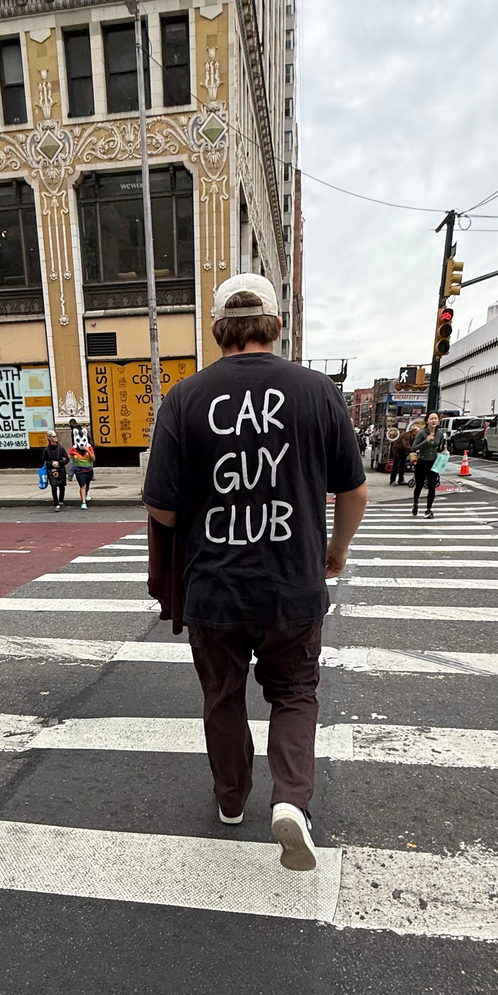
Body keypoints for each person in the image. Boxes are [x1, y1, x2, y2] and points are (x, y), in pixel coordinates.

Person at [142, 272, 367, 872]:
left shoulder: (184, 398)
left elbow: (161, 505)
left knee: (222, 696)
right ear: (275, 325)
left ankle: (231, 799)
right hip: (292, 583)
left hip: (214, 589)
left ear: (219, 329)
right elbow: (354, 489)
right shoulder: (318, 392)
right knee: (295, 693)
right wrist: (336, 549)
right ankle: (291, 799)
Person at [411, 412, 448, 518]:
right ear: (427, 421)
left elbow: (439, 447)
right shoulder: (422, 433)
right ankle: (415, 504)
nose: (434, 421)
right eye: (431, 419)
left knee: (432, 486)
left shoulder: (440, 434)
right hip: (422, 462)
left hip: (434, 462)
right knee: (419, 485)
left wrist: (444, 449)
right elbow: (414, 448)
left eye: (436, 419)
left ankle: (428, 509)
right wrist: (426, 441)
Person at [42, 430, 69, 512]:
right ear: (49, 438)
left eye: (56, 436)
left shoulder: (61, 448)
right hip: (51, 470)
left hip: (60, 470)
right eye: (53, 436)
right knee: (53, 486)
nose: (55, 438)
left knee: (62, 486)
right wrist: (51, 463)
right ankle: (56, 503)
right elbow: (44, 461)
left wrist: (59, 462)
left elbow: (66, 459)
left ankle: (61, 501)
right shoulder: (46, 450)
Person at [69, 439, 95, 510]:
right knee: (83, 486)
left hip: (88, 470)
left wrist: (88, 451)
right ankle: (83, 502)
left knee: (87, 484)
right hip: (79, 471)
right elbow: (68, 457)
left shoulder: (89, 447)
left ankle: (86, 494)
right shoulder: (74, 448)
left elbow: (93, 458)